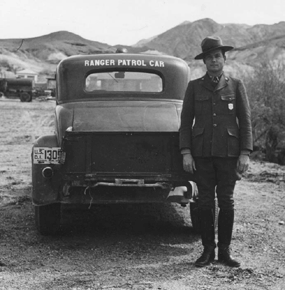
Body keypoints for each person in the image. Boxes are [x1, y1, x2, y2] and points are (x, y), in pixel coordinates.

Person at [179, 36, 253, 267]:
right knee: (204, 203)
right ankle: (207, 250)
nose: (214, 61)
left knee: (227, 202)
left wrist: (245, 152)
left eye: (217, 56)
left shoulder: (236, 85)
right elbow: (185, 122)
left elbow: (246, 121)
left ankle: (225, 251)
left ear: (224, 59)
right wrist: (186, 152)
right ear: (204, 61)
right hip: (202, 155)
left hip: (229, 154)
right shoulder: (194, 86)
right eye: (209, 57)